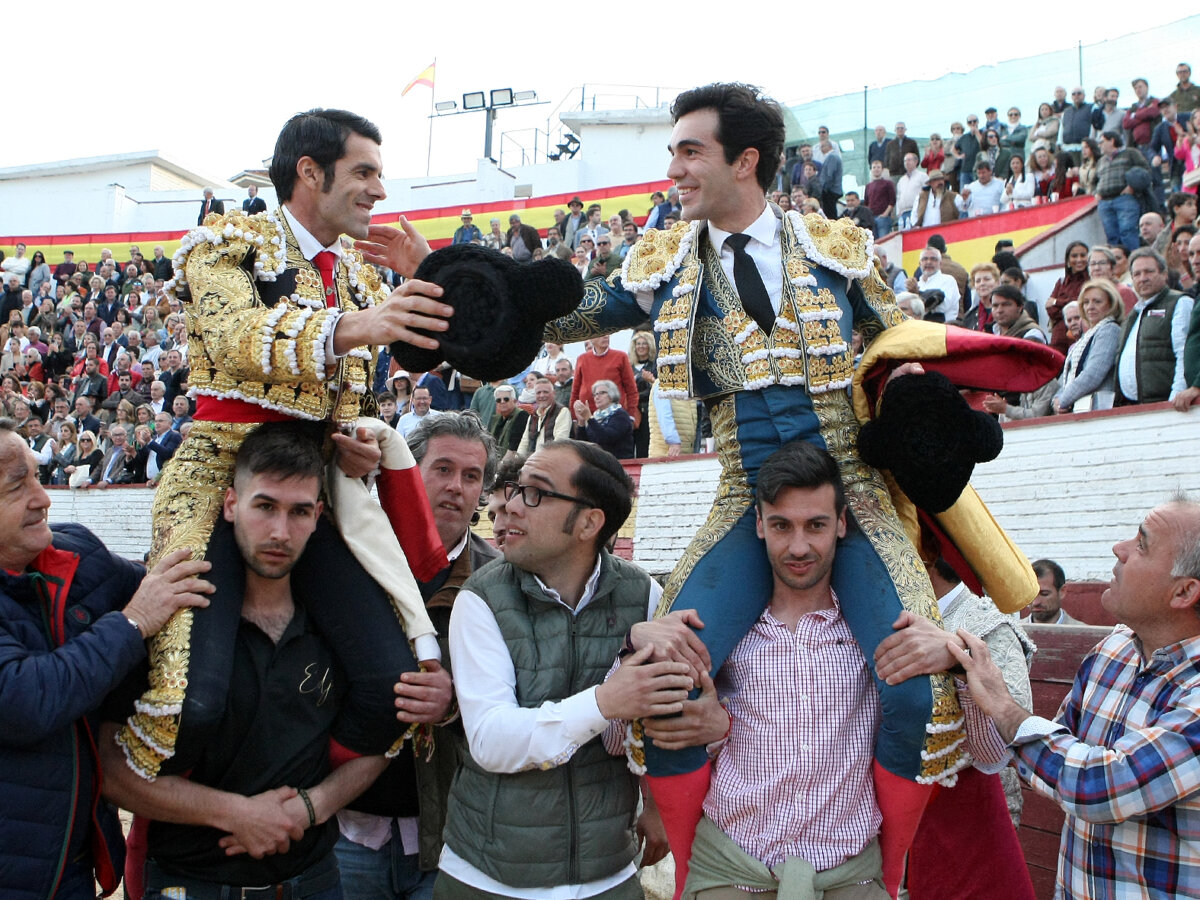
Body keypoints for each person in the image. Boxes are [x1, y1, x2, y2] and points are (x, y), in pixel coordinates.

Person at [539, 82, 1038, 897]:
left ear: (746, 160)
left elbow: (900, 342)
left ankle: (889, 872)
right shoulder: (667, 259)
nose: (673, 167)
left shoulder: (838, 247)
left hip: (857, 498)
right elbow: (580, 310)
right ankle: (701, 869)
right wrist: (478, 295)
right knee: (666, 681)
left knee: (917, 689)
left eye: (689, 150)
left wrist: (922, 399)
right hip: (748, 499)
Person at [115, 108, 453, 781]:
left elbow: (396, 373)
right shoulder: (227, 245)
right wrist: (355, 326)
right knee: (189, 698)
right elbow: (240, 335)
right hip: (219, 484)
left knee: (394, 685)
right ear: (308, 171)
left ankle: (287, 797)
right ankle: (177, 823)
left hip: (316, 493)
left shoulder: (359, 276)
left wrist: (352, 437)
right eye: (364, 173)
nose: (379, 192)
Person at [634, 442, 1018, 900]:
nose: (799, 546)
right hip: (731, 870)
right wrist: (634, 645)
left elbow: (992, 754)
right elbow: (625, 738)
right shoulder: (719, 632)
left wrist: (959, 659)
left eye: (815, 525)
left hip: (849, 878)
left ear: (841, 525)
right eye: (781, 526)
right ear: (759, 525)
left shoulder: (884, 632)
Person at [100, 422, 394, 897]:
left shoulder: (344, 629)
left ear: (319, 515)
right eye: (265, 507)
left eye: (299, 512)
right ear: (231, 505)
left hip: (314, 879)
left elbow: (384, 735)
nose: (281, 531)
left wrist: (313, 806)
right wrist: (237, 815)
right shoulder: (166, 615)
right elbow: (113, 767)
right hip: (191, 880)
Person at [438, 440, 682, 899]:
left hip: (609, 870)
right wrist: (605, 701)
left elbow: (653, 717)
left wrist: (655, 801)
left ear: (589, 522)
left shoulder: (642, 594)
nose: (509, 506)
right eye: (513, 488)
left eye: (535, 493)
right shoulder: (480, 598)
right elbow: (491, 740)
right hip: (490, 874)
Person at [0, 417, 213, 898]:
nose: (43, 497)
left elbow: (162, 588)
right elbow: (26, 699)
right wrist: (134, 622)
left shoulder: (75, 550)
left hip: (70, 872)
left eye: (37, 475)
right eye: (19, 486)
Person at [949, 495, 1200, 899]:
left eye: (1141, 544)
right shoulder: (1113, 649)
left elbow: (1099, 787)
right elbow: (1056, 751)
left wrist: (1001, 705)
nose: (1118, 549)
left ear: (1184, 592)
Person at [337, 413, 499, 900]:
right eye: (443, 469)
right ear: (407, 471)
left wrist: (454, 703)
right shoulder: (346, 556)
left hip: (451, 836)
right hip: (344, 827)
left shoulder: (502, 583)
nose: (457, 487)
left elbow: (525, 700)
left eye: (472, 477)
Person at [1115, 248, 1195, 405]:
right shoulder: (1135, 312)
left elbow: (1184, 353)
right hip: (1133, 405)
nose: (1142, 278)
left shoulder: (1180, 302)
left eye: (1149, 272)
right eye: (1137, 274)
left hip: (1167, 404)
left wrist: (1176, 395)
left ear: (1164, 274)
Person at [1052, 279, 1126, 413]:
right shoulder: (1085, 337)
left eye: (1097, 301)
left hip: (1098, 410)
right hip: (1080, 408)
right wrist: (1057, 399)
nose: (1090, 307)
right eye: (1086, 302)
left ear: (1111, 304)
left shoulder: (1110, 330)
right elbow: (1067, 377)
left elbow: (1093, 374)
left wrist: (1063, 400)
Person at [1045, 241, 1091, 355]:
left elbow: (1082, 306)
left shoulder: (1092, 282)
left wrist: (1056, 302)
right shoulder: (1061, 282)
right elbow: (1051, 310)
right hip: (1058, 337)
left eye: (1083, 255)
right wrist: (1070, 304)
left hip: (1080, 336)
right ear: (1068, 260)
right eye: (1074, 256)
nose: (1079, 259)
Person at [572, 378, 635, 460]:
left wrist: (589, 418)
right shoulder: (595, 417)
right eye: (595, 394)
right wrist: (581, 422)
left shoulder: (621, 415)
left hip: (618, 463)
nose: (597, 397)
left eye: (601, 393)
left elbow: (606, 438)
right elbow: (583, 444)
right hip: (598, 464)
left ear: (612, 395)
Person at [518, 376, 571, 456]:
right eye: (538, 393)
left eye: (545, 392)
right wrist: (518, 461)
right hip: (532, 462)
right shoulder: (533, 415)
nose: (542, 395)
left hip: (552, 462)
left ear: (554, 394)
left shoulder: (563, 412)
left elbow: (560, 443)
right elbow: (524, 443)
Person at [630, 330, 657, 457]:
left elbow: (653, 388)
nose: (640, 346)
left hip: (647, 411)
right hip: (632, 411)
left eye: (644, 344)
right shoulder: (629, 367)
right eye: (638, 344)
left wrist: (634, 396)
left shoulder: (653, 366)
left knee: (644, 445)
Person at [1028, 559, 1081, 625]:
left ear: (1062, 591)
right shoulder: (1012, 633)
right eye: (1031, 595)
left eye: (1044, 594)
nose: (1035, 602)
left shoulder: (1086, 633)